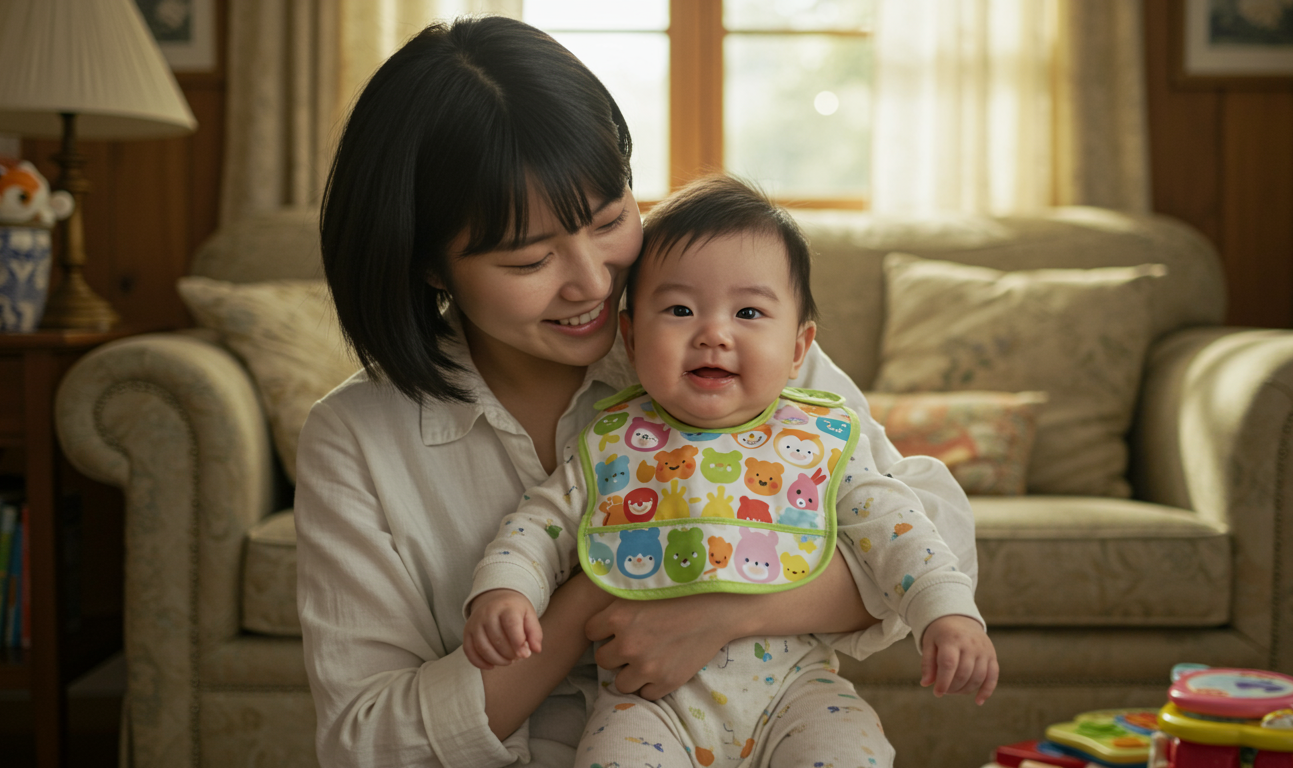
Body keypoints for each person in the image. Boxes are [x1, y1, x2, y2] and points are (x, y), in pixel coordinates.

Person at [298, 15, 980, 768]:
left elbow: (929, 525)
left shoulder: (712, 338)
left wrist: (721, 611)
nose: (593, 283)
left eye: (610, 219)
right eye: (529, 261)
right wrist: (594, 597)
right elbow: (366, 741)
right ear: (431, 268)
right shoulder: (355, 438)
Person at [461, 175, 997, 768]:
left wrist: (946, 613)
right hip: (645, 704)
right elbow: (541, 524)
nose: (713, 333)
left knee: (853, 752)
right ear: (632, 337)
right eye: (680, 309)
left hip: (797, 691)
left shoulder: (818, 440)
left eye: (748, 312)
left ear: (799, 349)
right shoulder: (612, 441)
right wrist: (504, 589)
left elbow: (901, 530)